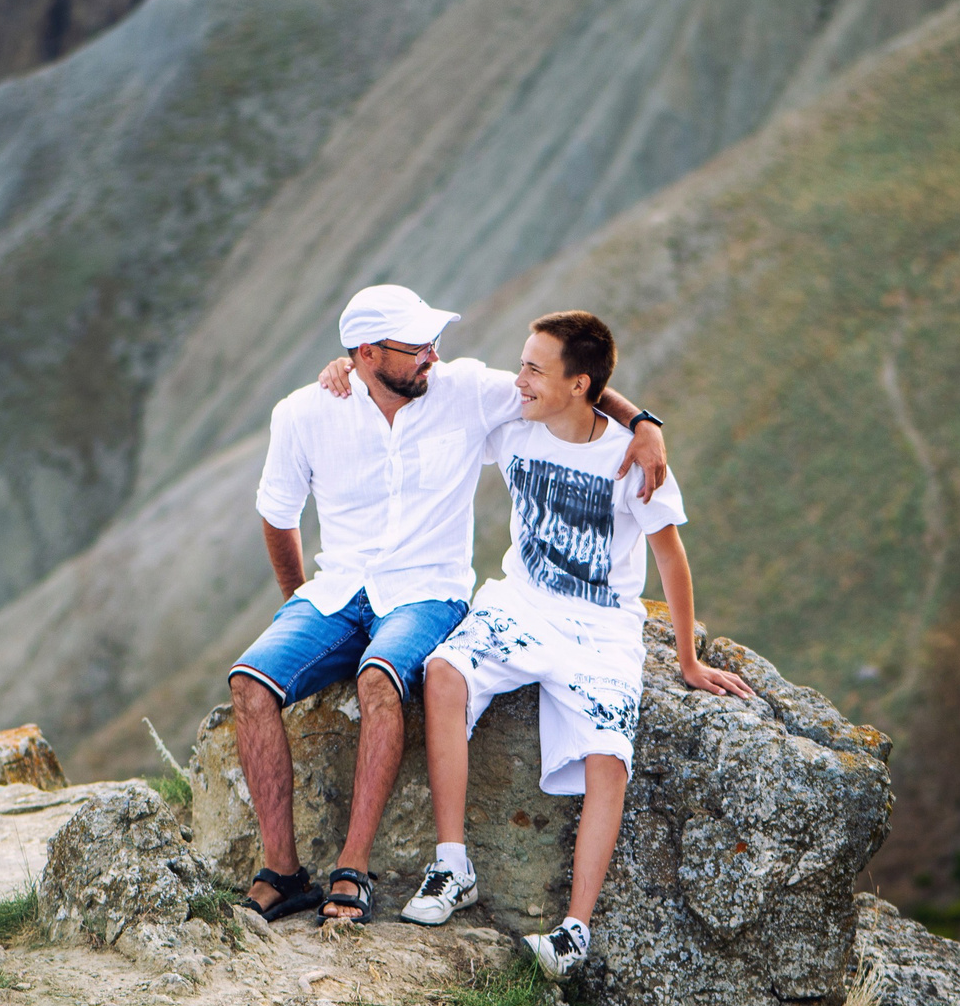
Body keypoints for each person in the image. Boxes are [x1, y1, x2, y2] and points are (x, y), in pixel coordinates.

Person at [230, 286, 670, 924]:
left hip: (427, 591)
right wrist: (298, 601)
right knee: (249, 682)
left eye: (434, 342)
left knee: (379, 678)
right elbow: (277, 515)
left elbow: (567, 388)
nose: (433, 355)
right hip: (336, 589)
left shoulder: (463, 389)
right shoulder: (304, 412)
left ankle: (352, 870)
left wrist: (645, 423)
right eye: (417, 347)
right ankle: (282, 872)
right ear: (366, 354)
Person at [395, 310, 753, 978]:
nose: (520, 379)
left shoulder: (630, 457)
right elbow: (414, 385)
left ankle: (572, 932)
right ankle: (451, 866)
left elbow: (671, 558)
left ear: (579, 383)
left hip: (601, 624)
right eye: (522, 364)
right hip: (522, 602)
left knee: (608, 757)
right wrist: (347, 365)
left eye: (535, 369)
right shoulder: (513, 421)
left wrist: (686, 658)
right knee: (444, 672)